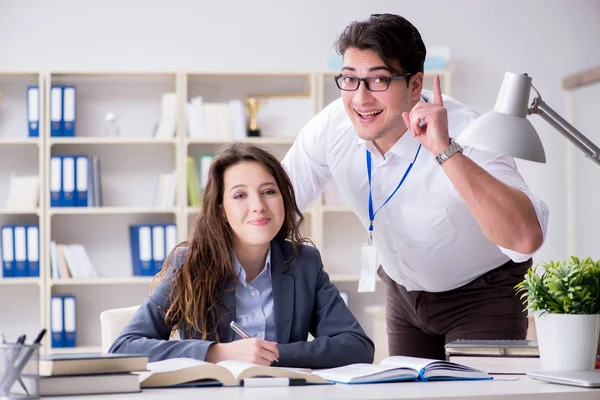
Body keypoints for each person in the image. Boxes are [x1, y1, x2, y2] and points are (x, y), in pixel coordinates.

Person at [282, 13, 549, 360]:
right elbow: (276, 205)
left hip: (483, 295)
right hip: (404, 294)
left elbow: (526, 237)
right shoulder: (332, 126)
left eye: (378, 80)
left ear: (414, 85)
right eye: (349, 80)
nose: (360, 99)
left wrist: (444, 151)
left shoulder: (469, 130)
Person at [109, 143, 374, 368]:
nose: (258, 206)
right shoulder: (189, 264)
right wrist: (218, 353)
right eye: (240, 195)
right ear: (222, 210)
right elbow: (123, 348)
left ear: (284, 199)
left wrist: (270, 354)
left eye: (269, 191)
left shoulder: (304, 262)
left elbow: (357, 345)